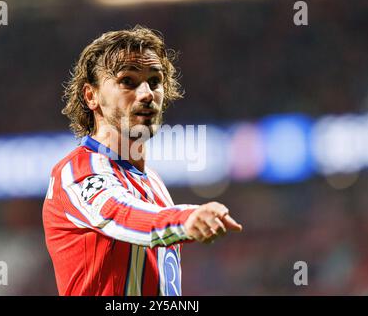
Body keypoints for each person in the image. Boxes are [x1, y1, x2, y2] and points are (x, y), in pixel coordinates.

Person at [42, 25, 242, 296]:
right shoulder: (77, 172)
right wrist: (187, 218)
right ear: (92, 96)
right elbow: (120, 213)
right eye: (128, 81)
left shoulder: (155, 183)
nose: (147, 93)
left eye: (155, 81)